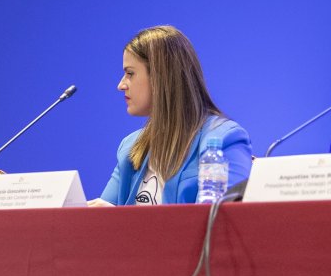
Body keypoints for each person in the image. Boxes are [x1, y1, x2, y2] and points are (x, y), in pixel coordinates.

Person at [91, 25, 252, 206]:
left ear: (160, 77)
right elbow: (103, 216)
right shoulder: (130, 147)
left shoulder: (223, 138)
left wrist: (121, 221)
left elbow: (219, 222)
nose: (121, 85)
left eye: (130, 73)